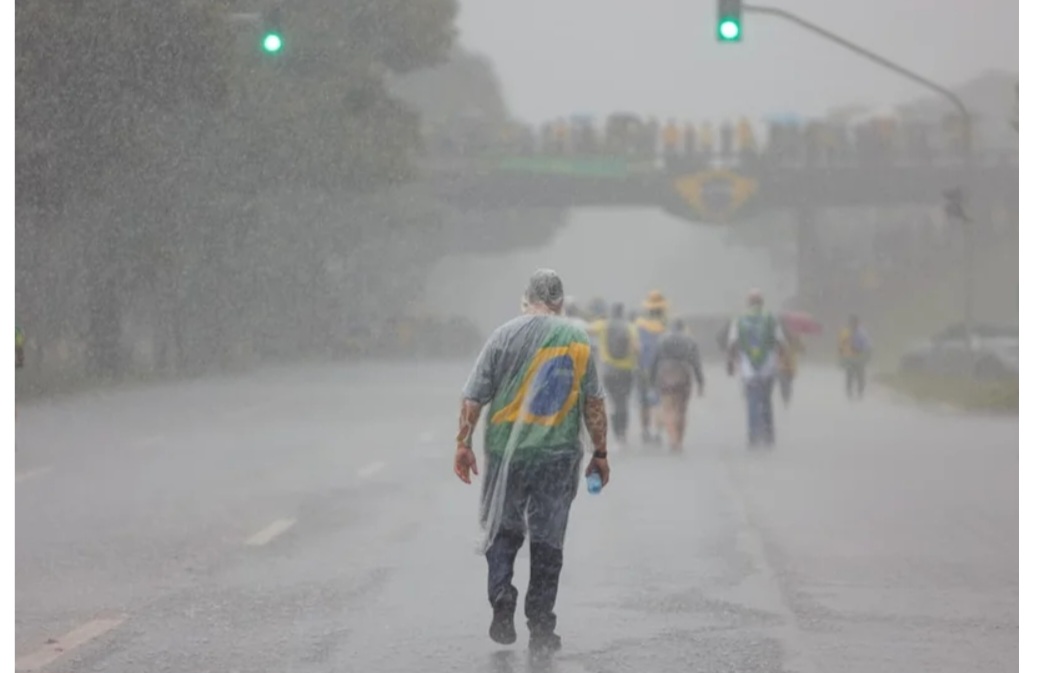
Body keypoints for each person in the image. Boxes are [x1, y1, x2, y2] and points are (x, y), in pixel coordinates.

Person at [454, 269, 609, 658]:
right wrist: (600, 453)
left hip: (507, 452)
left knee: (503, 528)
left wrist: (463, 444)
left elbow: (473, 397)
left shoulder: (503, 336)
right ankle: (541, 626)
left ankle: (501, 594)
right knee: (548, 538)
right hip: (558, 454)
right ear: (560, 300)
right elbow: (593, 403)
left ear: (528, 297)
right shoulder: (577, 339)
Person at [726, 290, 788, 447]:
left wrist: (731, 362)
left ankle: (753, 435)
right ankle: (768, 434)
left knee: (752, 401)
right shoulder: (771, 318)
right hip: (768, 366)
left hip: (748, 368)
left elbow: (732, 343)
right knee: (766, 400)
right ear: (762, 302)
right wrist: (782, 360)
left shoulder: (739, 320)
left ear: (748, 303)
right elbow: (781, 342)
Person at [650, 318, 704, 451]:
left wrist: (651, 381)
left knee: (668, 409)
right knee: (681, 410)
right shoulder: (690, 341)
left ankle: (673, 439)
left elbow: (654, 362)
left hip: (665, 375)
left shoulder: (662, 340)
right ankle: (679, 439)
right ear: (683, 328)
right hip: (683, 375)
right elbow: (696, 363)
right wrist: (700, 382)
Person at [596, 302, 639, 446]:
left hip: (609, 371)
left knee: (614, 401)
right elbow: (636, 348)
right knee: (623, 401)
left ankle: (616, 431)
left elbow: (584, 329)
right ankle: (623, 433)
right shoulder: (630, 327)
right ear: (622, 312)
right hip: (626, 371)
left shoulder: (603, 325)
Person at [634, 291, 669, 444]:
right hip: (662, 369)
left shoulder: (639, 325)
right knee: (658, 401)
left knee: (643, 402)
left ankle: (645, 430)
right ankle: (657, 432)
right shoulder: (666, 326)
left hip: (642, 368)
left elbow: (635, 347)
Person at [838, 314, 871, 399]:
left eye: (854, 322)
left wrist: (859, 350)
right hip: (849, 357)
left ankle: (860, 392)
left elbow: (866, 345)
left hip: (860, 357)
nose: (852, 324)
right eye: (851, 322)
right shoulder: (846, 332)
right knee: (849, 375)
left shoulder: (862, 333)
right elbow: (842, 344)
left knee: (860, 375)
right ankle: (849, 393)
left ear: (857, 323)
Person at [777, 326, 803, 407]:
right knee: (783, 385)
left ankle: (787, 400)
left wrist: (798, 340)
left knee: (788, 385)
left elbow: (802, 350)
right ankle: (785, 399)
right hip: (782, 367)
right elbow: (777, 352)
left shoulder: (795, 343)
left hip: (791, 368)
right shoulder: (781, 343)